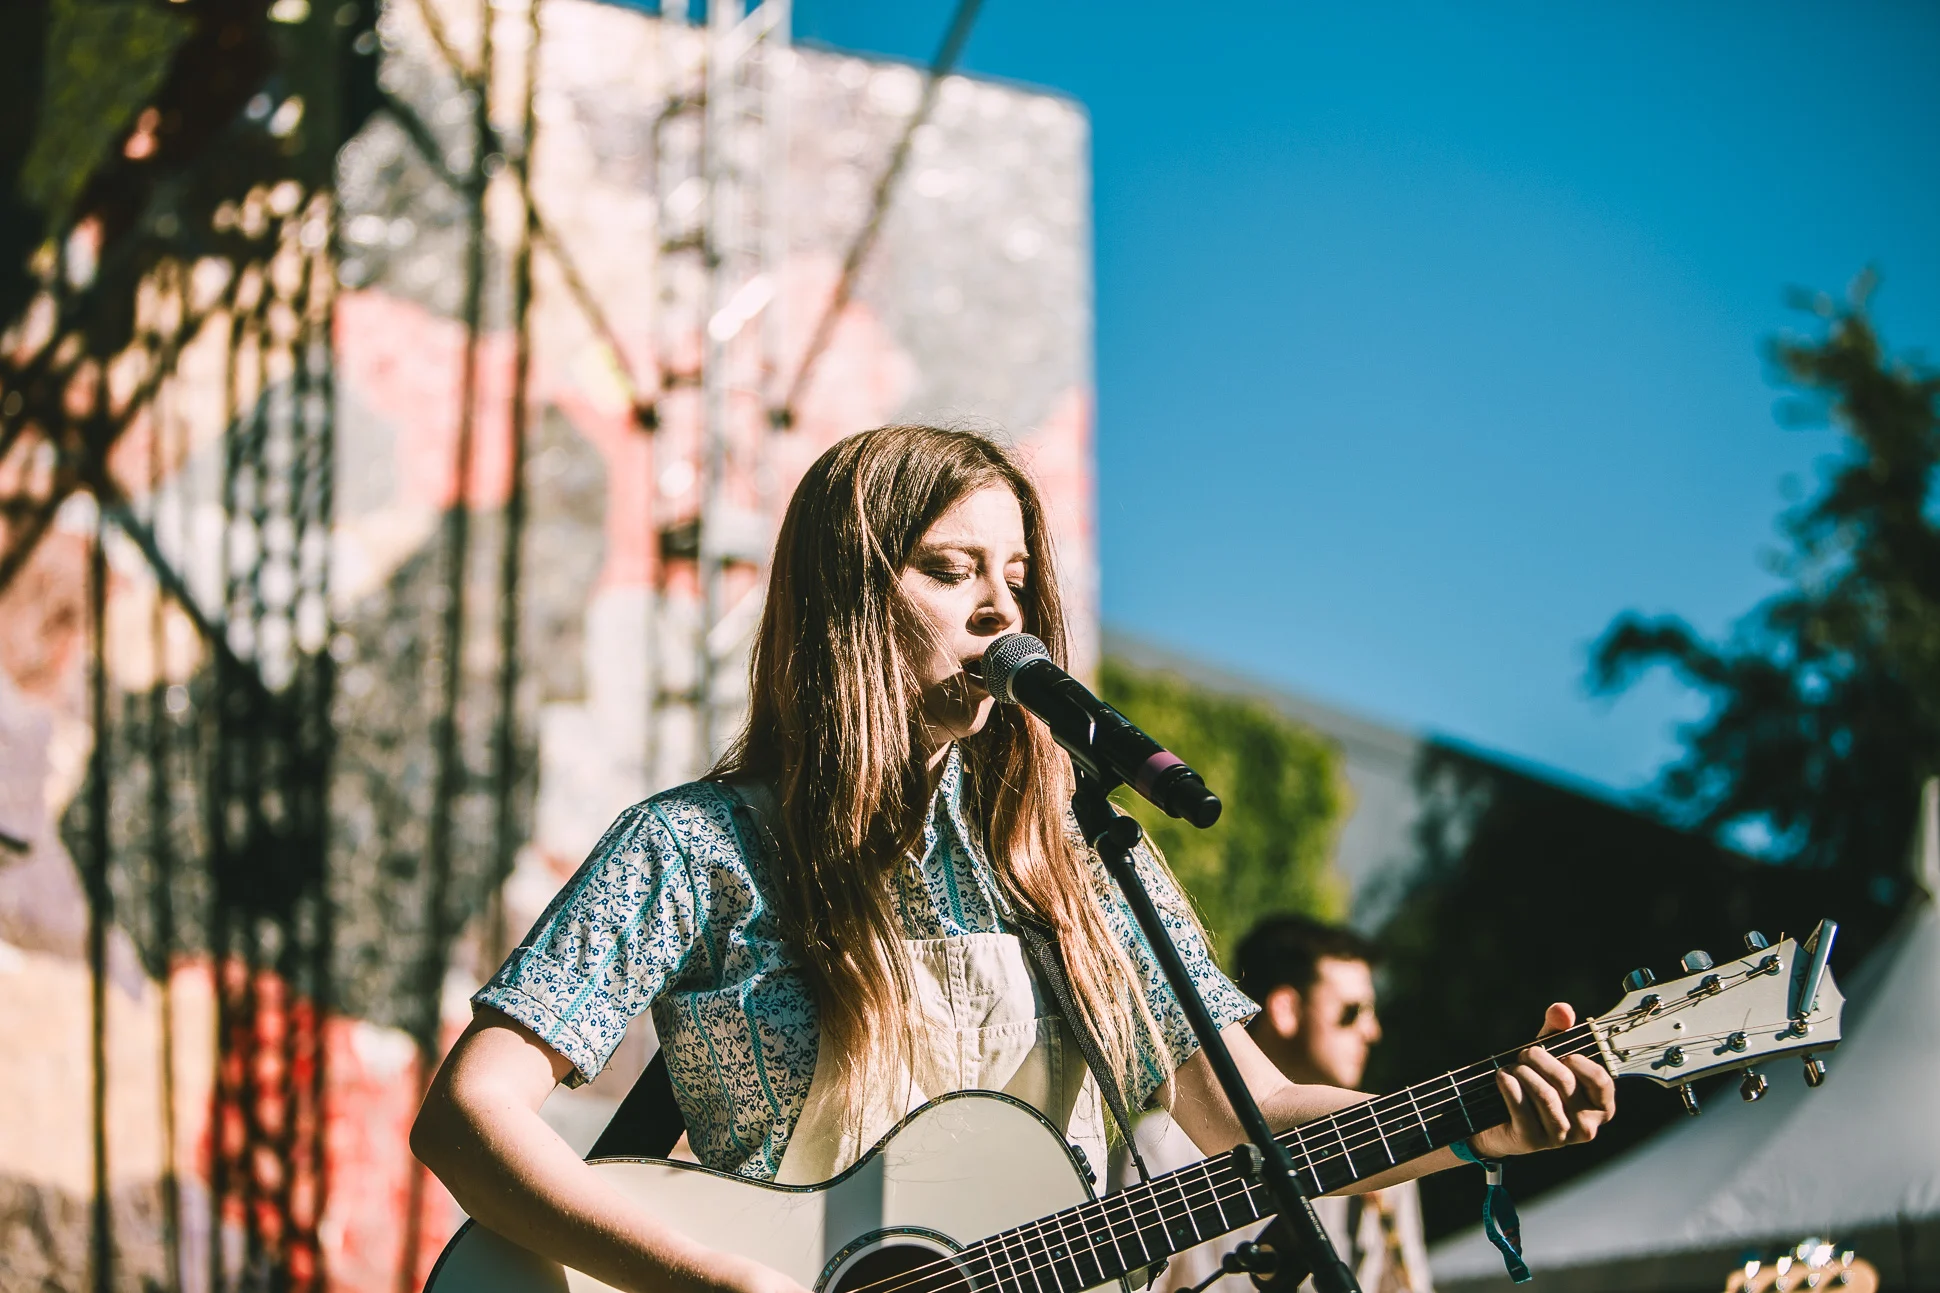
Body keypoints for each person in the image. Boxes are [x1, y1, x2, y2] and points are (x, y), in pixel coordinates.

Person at [410, 426, 1615, 1293]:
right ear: (846, 600)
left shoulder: (1083, 871)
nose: (1002, 613)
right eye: (950, 569)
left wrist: (1473, 1123)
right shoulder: (699, 846)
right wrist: (709, 1279)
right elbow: (470, 1117)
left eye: (1018, 577)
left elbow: (1251, 1111)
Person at [1120, 916, 1434, 1293]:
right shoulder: (1162, 1146)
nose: (1372, 1031)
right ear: (1286, 1010)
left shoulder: (1378, 1138)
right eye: (1352, 1012)